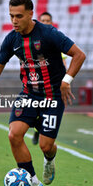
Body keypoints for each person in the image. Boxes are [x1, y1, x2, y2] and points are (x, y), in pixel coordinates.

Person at [0, 0, 85, 186]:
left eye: (18, 16)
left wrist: (67, 80)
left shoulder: (49, 34)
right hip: (28, 94)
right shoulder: (12, 39)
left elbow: (79, 55)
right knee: (14, 134)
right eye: (11, 16)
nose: (14, 21)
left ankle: (49, 159)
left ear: (31, 14)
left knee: (46, 145)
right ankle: (33, 182)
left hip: (52, 96)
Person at [31, 11, 69, 145]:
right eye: (44, 21)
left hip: (52, 84)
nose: (46, 23)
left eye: (48, 21)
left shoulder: (54, 40)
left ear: (52, 23)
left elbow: (63, 62)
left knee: (49, 108)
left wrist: (65, 80)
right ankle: (38, 129)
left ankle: (42, 131)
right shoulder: (33, 40)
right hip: (36, 82)